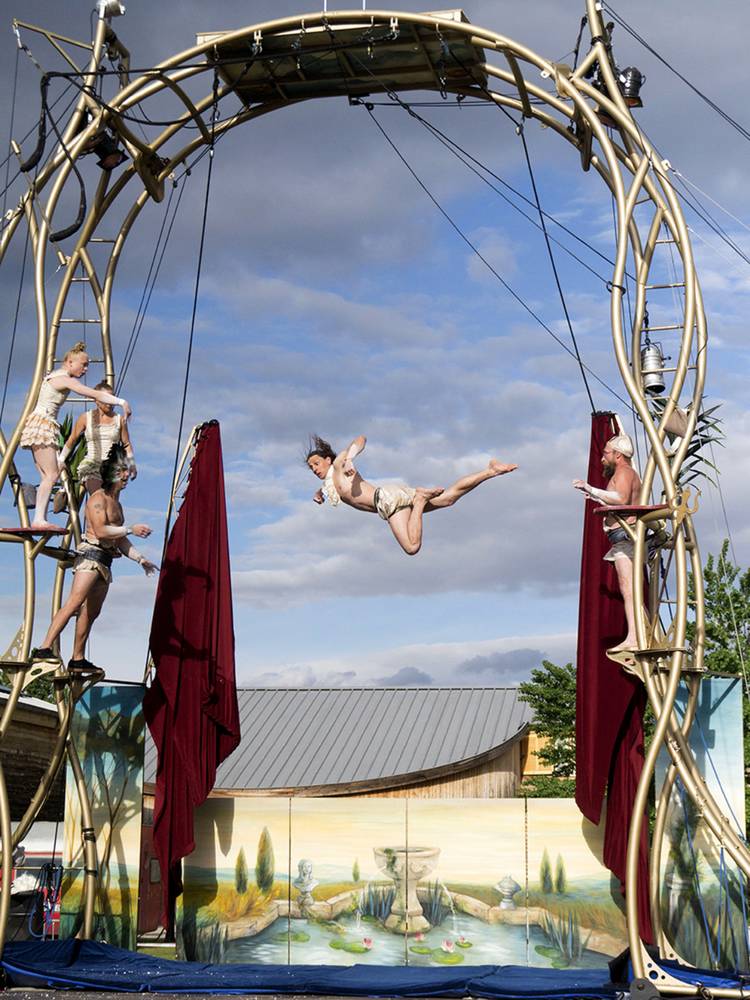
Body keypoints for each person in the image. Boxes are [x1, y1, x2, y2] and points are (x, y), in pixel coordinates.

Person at [30, 446, 156, 672]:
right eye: (122, 472)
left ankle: (77, 658)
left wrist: (140, 559)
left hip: (106, 561)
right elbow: (101, 531)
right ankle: (44, 647)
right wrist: (130, 529)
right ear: (111, 475)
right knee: (75, 602)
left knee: (91, 613)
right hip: (90, 556)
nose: (126, 476)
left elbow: (119, 540)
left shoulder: (117, 505)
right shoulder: (97, 500)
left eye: (125, 471)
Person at [306, 434, 517, 555]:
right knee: (448, 498)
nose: (315, 469)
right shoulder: (330, 484)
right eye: (311, 468)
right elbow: (328, 487)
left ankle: (419, 499)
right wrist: (320, 494)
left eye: (316, 463)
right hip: (393, 495)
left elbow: (360, 439)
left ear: (327, 459)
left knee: (411, 547)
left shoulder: (339, 463)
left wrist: (350, 457)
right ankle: (491, 471)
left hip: (388, 501)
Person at [19, 342, 132, 530]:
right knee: (52, 474)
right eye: (83, 365)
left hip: (41, 424)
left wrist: (62, 457)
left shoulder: (53, 376)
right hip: (43, 424)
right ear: (70, 362)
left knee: (48, 475)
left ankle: (39, 517)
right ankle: (39, 519)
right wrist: (121, 401)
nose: (86, 369)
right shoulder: (64, 379)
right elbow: (91, 393)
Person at [573, 432, 641, 652]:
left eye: (606, 453)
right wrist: (596, 495)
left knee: (628, 589)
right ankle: (639, 632)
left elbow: (621, 499)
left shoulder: (624, 472)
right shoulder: (625, 472)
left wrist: (592, 489)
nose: (603, 457)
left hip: (625, 536)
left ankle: (635, 636)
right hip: (622, 536)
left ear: (618, 455)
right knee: (628, 588)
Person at [56, 380, 136, 502]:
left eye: (112, 398)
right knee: (99, 498)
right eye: (106, 398)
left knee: (111, 505)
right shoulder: (85, 418)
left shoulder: (119, 420)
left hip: (112, 467)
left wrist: (132, 465)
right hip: (92, 465)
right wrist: (61, 460)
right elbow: (72, 439)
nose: (110, 402)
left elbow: (126, 444)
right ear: (97, 400)